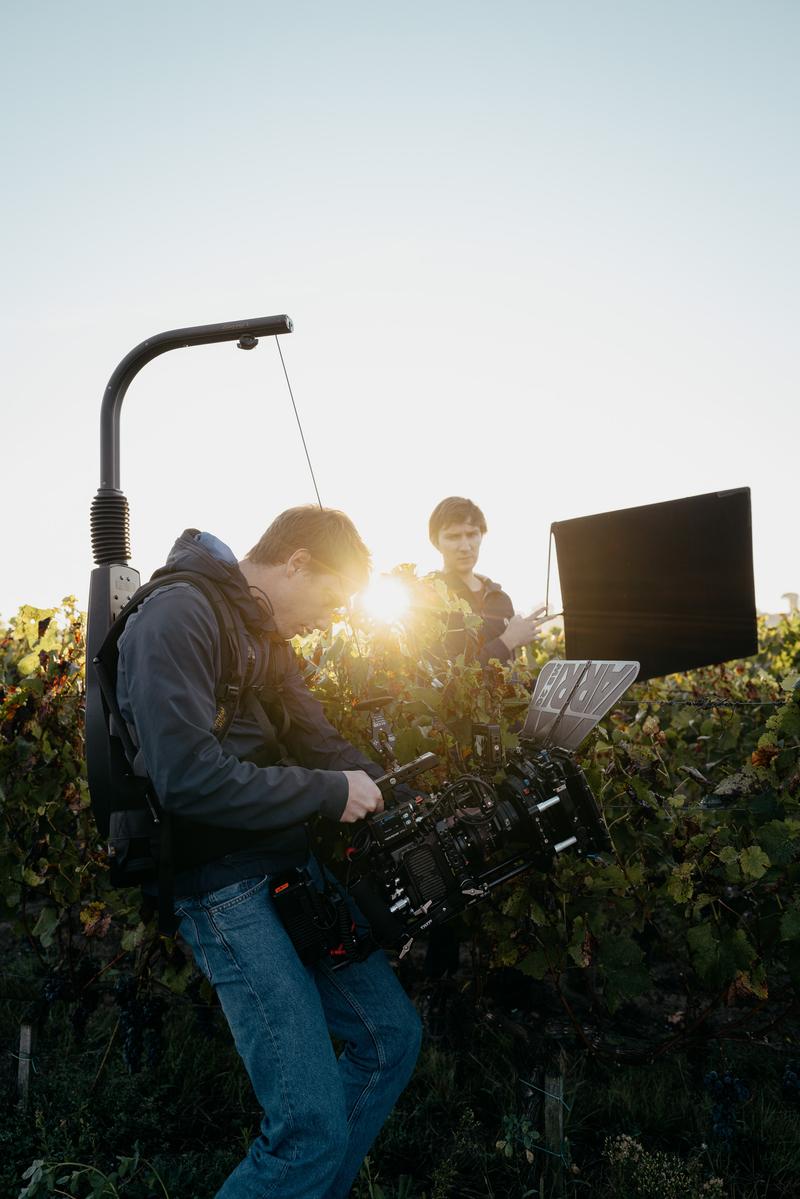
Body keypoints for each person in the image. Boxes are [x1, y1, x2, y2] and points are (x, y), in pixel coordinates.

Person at [115, 508, 422, 1199]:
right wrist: (324, 791)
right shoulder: (178, 616)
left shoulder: (263, 635)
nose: (333, 619)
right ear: (299, 563)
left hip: (287, 872)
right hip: (224, 890)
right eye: (334, 600)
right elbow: (186, 776)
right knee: (308, 1130)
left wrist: (399, 795)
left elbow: (322, 747)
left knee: (390, 1039)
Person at [428, 496, 545, 665]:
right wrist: (508, 640)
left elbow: (510, 674)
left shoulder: (501, 599)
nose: (465, 546)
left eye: (471, 534)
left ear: (481, 536)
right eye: (453, 537)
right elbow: (445, 679)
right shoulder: (428, 598)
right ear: (435, 541)